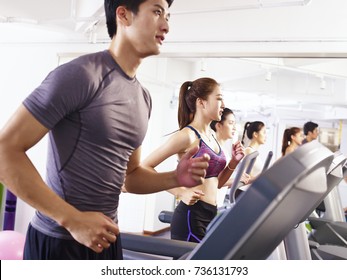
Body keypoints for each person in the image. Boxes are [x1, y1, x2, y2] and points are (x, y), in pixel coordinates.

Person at [0, 0, 211, 260]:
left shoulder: (143, 98)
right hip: (59, 239)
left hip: (106, 238)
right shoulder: (81, 75)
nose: (166, 25)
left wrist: (176, 178)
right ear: (123, 14)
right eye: (157, 12)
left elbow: (130, 176)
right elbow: (4, 151)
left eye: (168, 16)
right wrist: (72, 219)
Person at [142, 79, 245, 243]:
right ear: (201, 102)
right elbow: (144, 167)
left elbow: (215, 183)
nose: (223, 104)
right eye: (218, 98)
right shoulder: (188, 135)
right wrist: (181, 193)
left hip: (210, 213)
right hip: (191, 216)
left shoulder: (211, 136)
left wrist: (233, 163)